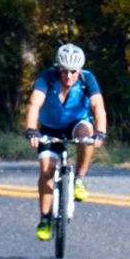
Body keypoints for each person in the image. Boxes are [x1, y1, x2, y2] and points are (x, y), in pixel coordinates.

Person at [24, 43, 107, 240]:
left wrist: (101, 132)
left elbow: (98, 106)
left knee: (87, 135)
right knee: (46, 170)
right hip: (50, 128)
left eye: (73, 72)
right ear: (57, 68)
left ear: (80, 70)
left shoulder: (88, 79)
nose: (68, 77)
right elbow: (34, 103)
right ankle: (45, 219)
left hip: (76, 123)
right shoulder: (47, 78)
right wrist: (32, 130)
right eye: (64, 71)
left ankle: (79, 178)